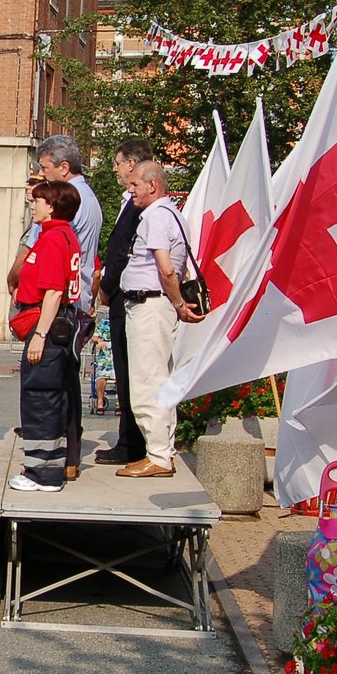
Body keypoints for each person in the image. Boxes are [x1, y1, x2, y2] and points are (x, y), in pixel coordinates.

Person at [116, 162, 207, 479]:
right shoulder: (173, 214)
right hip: (156, 305)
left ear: (152, 185)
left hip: (151, 305)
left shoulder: (155, 216)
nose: (132, 190)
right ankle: (160, 451)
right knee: (159, 378)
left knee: (147, 382)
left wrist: (179, 302)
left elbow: (166, 268)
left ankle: (158, 455)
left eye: (136, 185)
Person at [7, 179, 84, 493]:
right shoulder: (62, 235)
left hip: (49, 325)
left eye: (38, 201)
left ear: (52, 205)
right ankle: (48, 465)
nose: (33, 205)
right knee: (54, 397)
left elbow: (53, 291)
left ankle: (42, 472)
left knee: (41, 397)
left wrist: (40, 335)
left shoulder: (54, 239)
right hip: (56, 324)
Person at [93, 139, 154, 467]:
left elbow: (121, 251)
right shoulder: (129, 202)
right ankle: (128, 440)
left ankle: (132, 443)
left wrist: (106, 285)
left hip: (126, 297)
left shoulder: (140, 206)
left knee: (130, 373)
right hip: (122, 295)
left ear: (131, 164)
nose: (115, 169)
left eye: (118, 163)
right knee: (125, 370)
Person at [8, 134, 102, 319]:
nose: (42, 174)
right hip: (79, 295)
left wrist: (13, 279)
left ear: (64, 167)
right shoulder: (90, 198)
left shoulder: (58, 201)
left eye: (45, 168)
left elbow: (32, 249)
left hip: (54, 302)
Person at [91, 310, 115, 415]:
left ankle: (120, 403)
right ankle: (100, 401)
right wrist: (99, 341)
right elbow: (93, 336)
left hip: (118, 352)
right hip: (105, 355)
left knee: (122, 374)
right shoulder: (105, 321)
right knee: (101, 375)